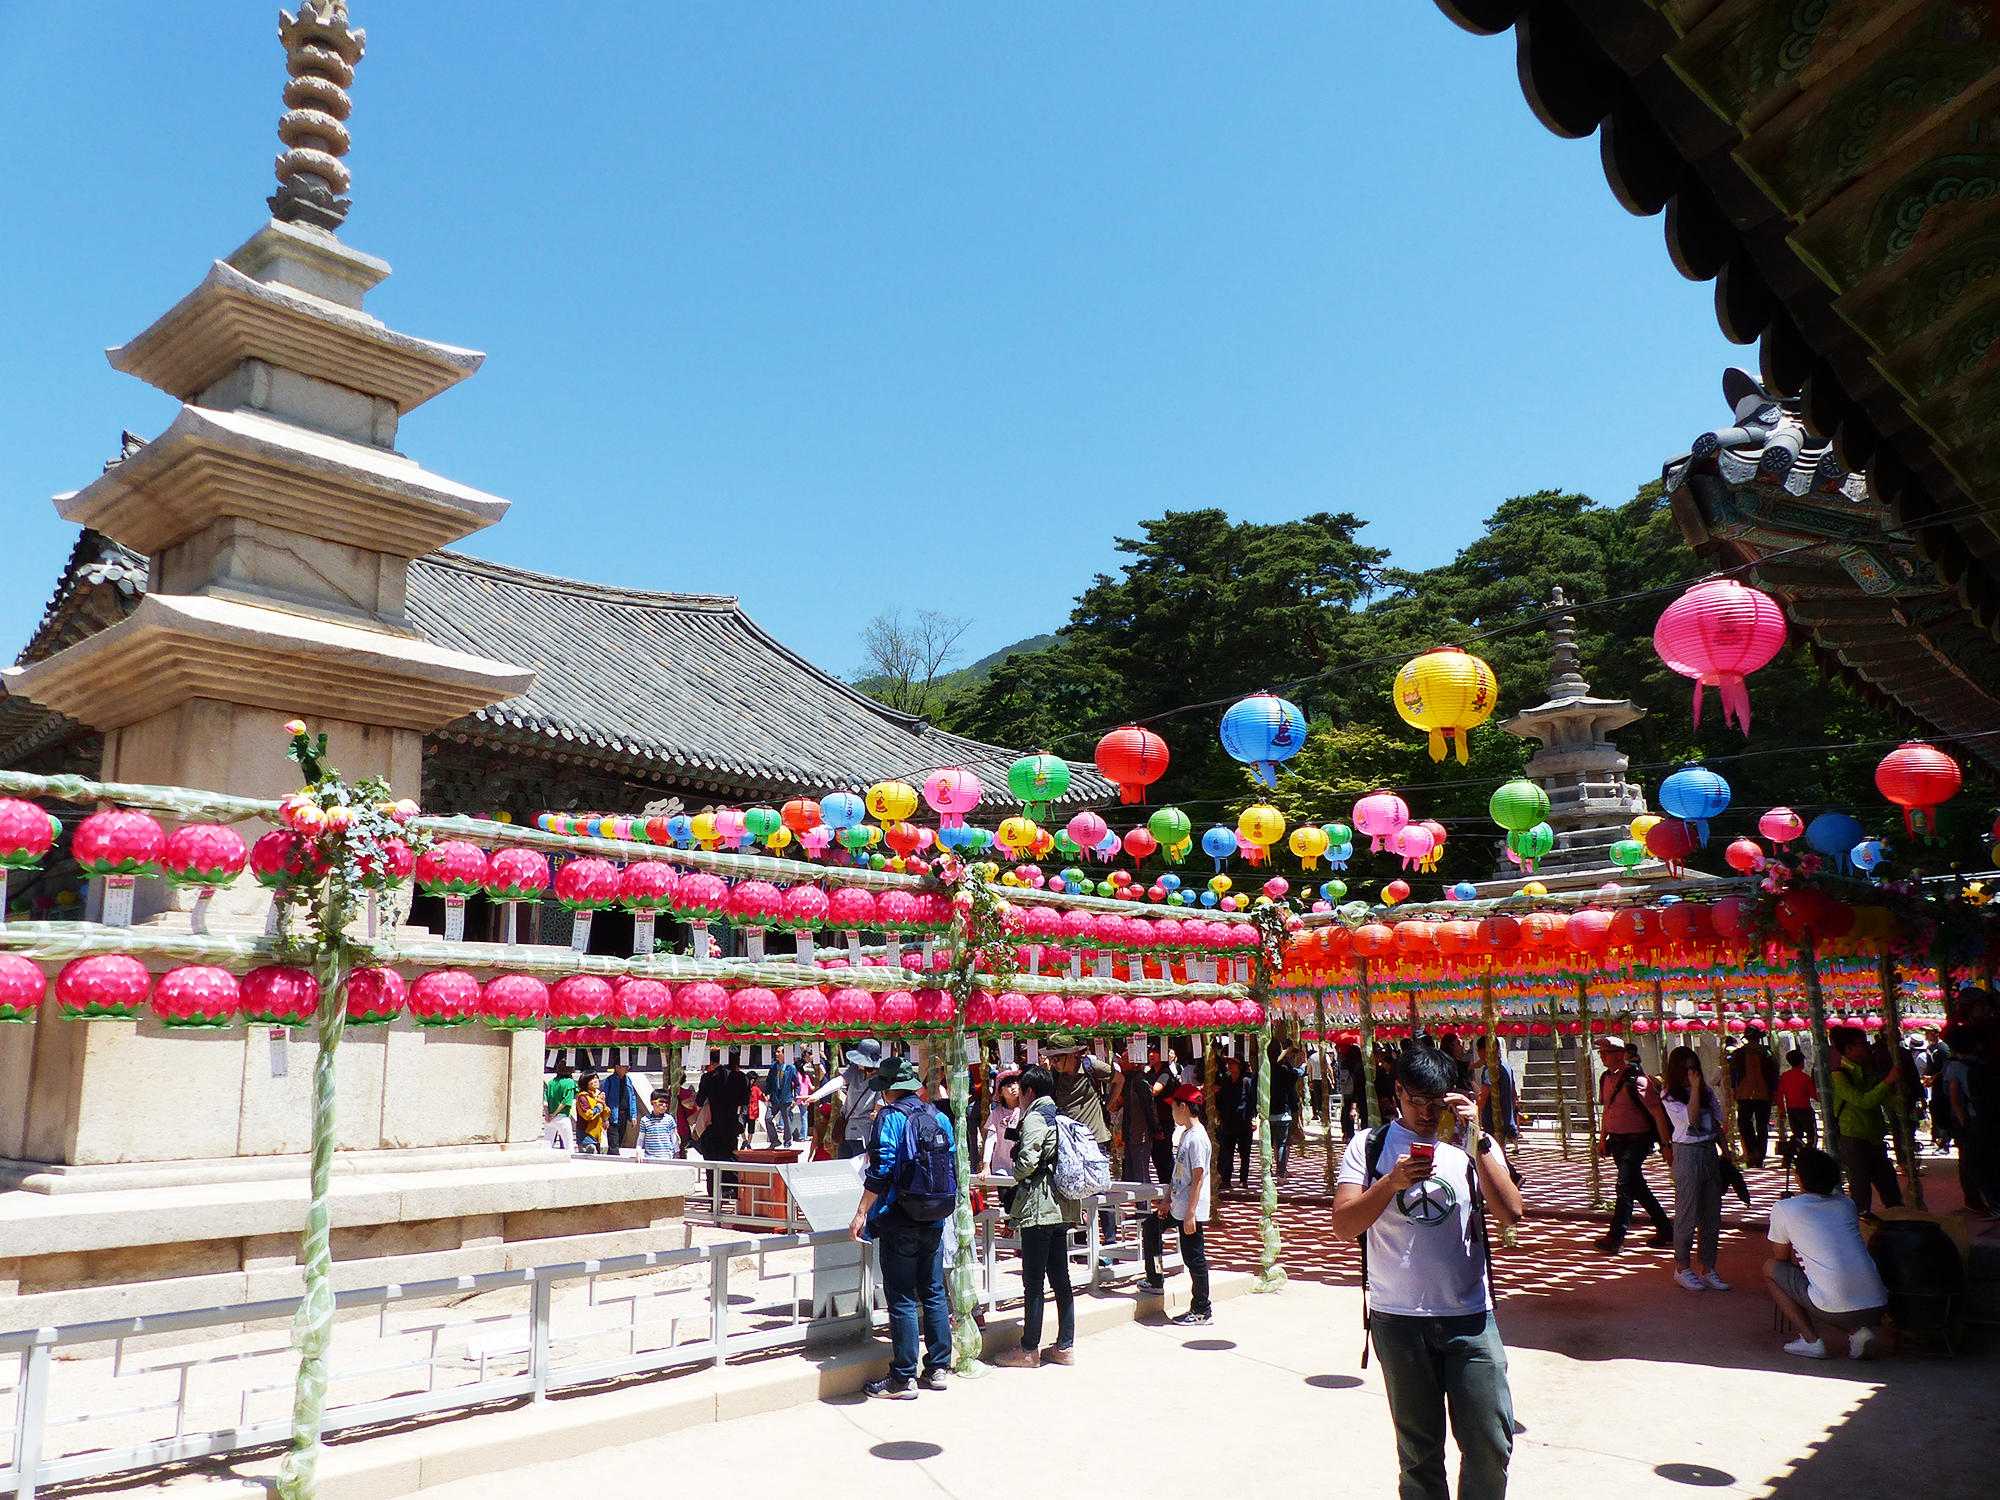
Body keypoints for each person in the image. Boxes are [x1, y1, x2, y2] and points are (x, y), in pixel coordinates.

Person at [1333, 1044, 1522, 1500]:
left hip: (1470, 1316)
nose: (1425, 1112)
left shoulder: (1472, 1143)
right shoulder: (1370, 1145)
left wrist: (1476, 1139)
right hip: (1398, 1320)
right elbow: (1343, 1224)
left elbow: (1511, 1211)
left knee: (1491, 1442)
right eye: (1416, 1100)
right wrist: (1390, 1183)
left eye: (1436, 1102)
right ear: (1397, 1091)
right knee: (1419, 1456)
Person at [848, 1054, 955, 1398]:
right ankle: (938, 1367)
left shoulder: (890, 1119)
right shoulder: (939, 1116)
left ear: (889, 1089)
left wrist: (862, 1212)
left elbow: (881, 1169)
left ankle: (903, 1377)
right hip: (936, 1215)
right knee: (934, 1291)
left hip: (900, 1214)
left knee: (902, 1296)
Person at [1763, 1147, 1896, 1360]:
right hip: (1878, 1304)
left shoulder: (1786, 1208)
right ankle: (1858, 1332)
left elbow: (1780, 1257)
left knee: (1770, 1268)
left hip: (1834, 1306)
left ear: (1799, 1178)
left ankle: (1811, 1340)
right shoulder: (1846, 1204)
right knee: (1831, 1285)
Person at [990, 1065, 1080, 1368]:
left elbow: (1026, 1161)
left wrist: (1016, 1170)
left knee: (1033, 1280)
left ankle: (1029, 1348)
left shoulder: (1035, 1118)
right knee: (1061, 1279)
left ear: (1029, 1091)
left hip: (1040, 1208)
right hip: (1063, 1206)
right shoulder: (1061, 1113)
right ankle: (1064, 1346)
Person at [1140, 1083, 1214, 1325]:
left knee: (1194, 1257)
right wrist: (1166, 1200)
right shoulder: (1186, 1135)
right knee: (1152, 1227)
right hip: (1178, 1205)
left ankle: (1202, 1308)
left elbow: (1199, 1177)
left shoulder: (1198, 1139)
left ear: (1184, 1107)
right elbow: (1178, 1174)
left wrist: (1191, 1213)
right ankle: (1155, 1277)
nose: (1171, 1111)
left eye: (1173, 1107)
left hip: (1190, 1209)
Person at [1593, 1036, 1673, 1254]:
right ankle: (1666, 1229)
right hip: (1616, 1141)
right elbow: (1607, 1109)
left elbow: (1658, 1114)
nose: (1602, 1056)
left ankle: (1616, 1236)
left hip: (1637, 1141)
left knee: (1624, 1185)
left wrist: (1666, 1145)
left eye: (1606, 1052)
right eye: (1600, 1052)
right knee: (1637, 1186)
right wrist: (1602, 1138)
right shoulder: (1605, 1079)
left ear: (1619, 1054)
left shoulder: (1638, 1080)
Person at [1659, 1046, 1728, 1291]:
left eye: (1694, 1068)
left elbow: (1716, 1123)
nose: (1692, 1073)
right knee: (1687, 1213)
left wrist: (1726, 1153)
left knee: (1712, 1215)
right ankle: (1683, 1267)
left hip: (1708, 1151)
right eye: (1686, 1069)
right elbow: (1692, 1117)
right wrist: (1696, 1089)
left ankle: (1709, 1267)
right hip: (1687, 1153)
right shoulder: (1669, 1095)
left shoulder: (1707, 1092)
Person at [1831, 1026, 1905, 1216]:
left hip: (1875, 1138)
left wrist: (1901, 1101)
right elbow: (1864, 1101)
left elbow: (1882, 1099)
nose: (1867, 1047)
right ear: (1849, 1049)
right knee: (1861, 1192)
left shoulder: (1868, 1070)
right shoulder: (1839, 1076)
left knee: (1890, 1189)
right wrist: (1888, 1081)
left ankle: (1897, 1223)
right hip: (1854, 1139)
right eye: (1863, 1043)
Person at [806, 1038, 885, 1159]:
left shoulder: (881, 1081)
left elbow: (877, 1114)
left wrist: (872, 1145)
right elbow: (839, 1081)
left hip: (863, 1136)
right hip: (846, 1132)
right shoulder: (855, 1070)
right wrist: (816, 1096)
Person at [1728, 1026, 1780, 1168]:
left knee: (1744, 1123)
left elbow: (1733, 1072)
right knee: (1762, 1125)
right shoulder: (1767, 1053)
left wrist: (1734, 1088)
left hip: (1744, 1092)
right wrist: (1774, 1091)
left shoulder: (1738, 1053)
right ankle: (1760, 1155)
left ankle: (1752, 1151)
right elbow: (1773, 1074)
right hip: (1764, 1093)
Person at [1108, 1052, 1156, 1184]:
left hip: (1140, 1133)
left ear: (1135, 1062)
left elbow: (1149, 1106)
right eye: (1122, 1059)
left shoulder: (1140, 1080)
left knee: (1140, 1173)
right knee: (1130, 1173)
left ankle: (1144, 1203)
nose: (1122, 1062)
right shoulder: (1126, 1080)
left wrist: (1156, 1129)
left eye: (1125, 1059)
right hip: (1129, 1133)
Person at [1473, 1037, 1517, 1146]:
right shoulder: (1506, 1067)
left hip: (1495, 1119)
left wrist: (1475, 1113)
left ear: (1484, 1050)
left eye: (1478, 1051)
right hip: (1507, 1117)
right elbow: (1514, 1093)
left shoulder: (1490, 1070)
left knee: (1494, 1151)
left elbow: (1484, 1094)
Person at [1216, 1057, 1252, 1190]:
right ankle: (1226, 1179)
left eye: (1234, 1063)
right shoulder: (1225, 1082)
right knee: (1226, 1152)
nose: (1230, 1065)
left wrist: (1252, 1119)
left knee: (1244, 1153)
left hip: (1243, 1123)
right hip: (1228, 1122)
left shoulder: (1246, 1082)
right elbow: (1220, 1102)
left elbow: (1251, 1101)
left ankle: (1243, 1179)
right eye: (1229, 1063)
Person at [1147, 1051, 1182, 1184]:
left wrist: (1142, 1087)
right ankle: (1163, 1188)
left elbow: (1155, 1091)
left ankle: (1171, 1188)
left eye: (1155, 1052)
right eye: (1149, 1052)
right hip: (1153, 1120)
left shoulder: (1165, 1073)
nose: (1151, 1055)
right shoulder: (1150, 1073)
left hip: (1165, 1119)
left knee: (1164, 1155)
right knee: (1156, 1156)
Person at [1270, 1045, 1303, 1181]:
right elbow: (1297, 1075)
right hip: (1282, 1112)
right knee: (1282, 1143)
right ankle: (1281, 1172)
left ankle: (1269, 1170)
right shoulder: (1285, 1071)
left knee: (1271, 1144)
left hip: (1268, 1112)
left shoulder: (1266, 1070)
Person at [1776, 1048, 1819, 1153]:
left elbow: (1779, 1094)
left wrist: (1781, 1109)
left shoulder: (1785, 1077)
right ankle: (1810, 1152)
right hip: (1805, 1109)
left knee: (1797, 1133)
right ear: (1801, 1062)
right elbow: (1813, 1093)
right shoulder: (1805, 1078)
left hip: (1791, 1109)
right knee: (1811, 1134)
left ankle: (1795, 1152)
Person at [601, 1063, 644, 1157]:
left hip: (624, 1115)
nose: (627, 1068)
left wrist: (633, 1115)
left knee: (619, 1142)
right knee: (614, 1144)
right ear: (616, 1067)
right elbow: (603, 1100)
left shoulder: (628, 1080)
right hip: (612, 1116)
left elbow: (632, 1097)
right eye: (625, 1066)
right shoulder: (608, 1081)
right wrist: (605, 1119)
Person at [764, 1050, 799, 1148]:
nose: (776, 1054)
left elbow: (797, 1084)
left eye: (779, 1052)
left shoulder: (791, 1067)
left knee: (787, 1122)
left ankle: (787, 1142)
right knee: (768, 1118)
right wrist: (767, 1092)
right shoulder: (774, 1066)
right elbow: (769, 1080)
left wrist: (795, 1098)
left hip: (786, 1099)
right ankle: (774, 1140)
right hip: (774, 1098)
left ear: (784, 1054)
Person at [637, 1087, 682, 1160]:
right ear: (652, 1102)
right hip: (651, 1157)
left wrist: (677, 1153)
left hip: (667, 1157)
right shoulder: (645, 1120)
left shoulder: (669, 1119)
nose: (664, 1105)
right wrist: (638, 1151)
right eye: (661, 1102)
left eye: (666, 1103)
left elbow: (673, 1138)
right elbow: (641, 1139)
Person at [543, 1063, 578, 1153]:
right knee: (569, 1145)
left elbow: (545, 1101)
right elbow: (566, 1102)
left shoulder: (551, 1083)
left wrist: (548, 1115)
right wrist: (554, 1114)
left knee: (547, 1145)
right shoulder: (570, 1082)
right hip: (562, 1117)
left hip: (549, 1118)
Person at [574, 1072, 608, 1154]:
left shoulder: (597, 1096)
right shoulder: (582, 1097)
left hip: (597, 1136)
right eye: (592, 1079)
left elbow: (605, 1113)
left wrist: (605, 1117)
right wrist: (599, 1104)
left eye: (596, 1078)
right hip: (585, 1136)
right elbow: (588, 1115)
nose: (595, 1081)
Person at [1339, 1043, 1366, 1140]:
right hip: (1359, 1092)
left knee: (1346, 1112)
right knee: (1363, 1114)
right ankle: (1363, 1133)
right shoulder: (1359, 1065)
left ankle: (1347, 1133)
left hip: (1347, 1092)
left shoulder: (1344, 1064)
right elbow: (1359, 1081)